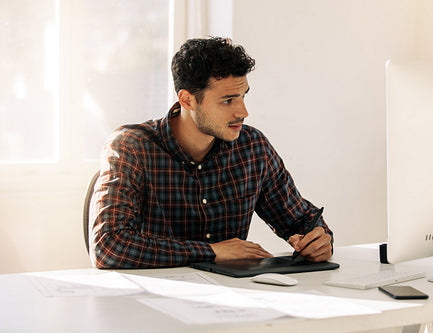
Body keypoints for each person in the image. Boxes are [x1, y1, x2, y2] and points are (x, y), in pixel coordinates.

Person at [89, 37, 333, 268]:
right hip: (151, 300)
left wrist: (319, 239)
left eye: (242, 96)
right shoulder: (131, 147)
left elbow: (301, 219)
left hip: (234, 298)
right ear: (187, 100)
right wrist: (213, 251)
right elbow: (108, 246)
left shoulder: (252, 147)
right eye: (227, 100)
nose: (243, 111)